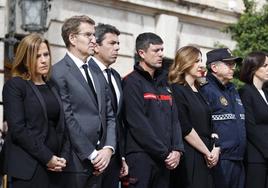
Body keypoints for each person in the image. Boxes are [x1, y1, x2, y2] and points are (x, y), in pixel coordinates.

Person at [51, 15, 116, 188]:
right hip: (75, 162)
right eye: (88, 35)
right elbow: (68, 118)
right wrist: (92, 154)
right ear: (72, 38)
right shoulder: (58, 72)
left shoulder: (96, 71)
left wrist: (108, 149)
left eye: (94, 35)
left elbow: (110, 114)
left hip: (102, 162)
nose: (94, 40)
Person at [2, 33, 66, 188]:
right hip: (28, 167)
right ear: (25, 59)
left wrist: (62, 157)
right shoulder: (15, 86)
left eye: (46, 54)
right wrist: (47, 157)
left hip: (55, 168)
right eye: (37, 56)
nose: (44, 60)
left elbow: (61, 126)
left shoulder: (52, 86)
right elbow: (18, 130)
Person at [122, 32, 184, 188]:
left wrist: (177, 149)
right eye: (156, 50)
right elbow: (138, 124)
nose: (161, 54)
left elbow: (174, 120)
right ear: (141, 53)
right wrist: (165, 153)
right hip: (141, 158)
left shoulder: (165, 84)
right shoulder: (131, 82)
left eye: (162, 50)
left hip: (165, 160)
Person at [168, 46, 220, 188]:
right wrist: (206, 152)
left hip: (208, 155)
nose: (201, 65)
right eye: (196, 61)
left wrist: (216, 148)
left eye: (201, 60)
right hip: (191, 154)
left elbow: (211, 123)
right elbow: (185, 127)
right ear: (185, 62)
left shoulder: (201, 90)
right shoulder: (177, 90)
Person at [89, 23, 128, 188]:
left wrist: (122, 157)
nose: (117, 48)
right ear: (96, 46)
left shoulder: (116, 76)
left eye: (118, 43)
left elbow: (118, 120)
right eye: (112, 43)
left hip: (114, 158)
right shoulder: (86, 72)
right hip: (92, 157)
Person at [200, 48, 246, 188]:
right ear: (214, 67)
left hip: (238, 159)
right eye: (228, 64)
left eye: (234, 64)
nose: (233, 67)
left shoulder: (232, 89)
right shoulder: (205, 89)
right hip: (220, 160)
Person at [239, 51, 268, 188]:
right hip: (256, 157)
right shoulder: (246, 92)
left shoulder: (266, 93)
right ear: (254, 68)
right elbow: (250, 127)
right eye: (265, 65)